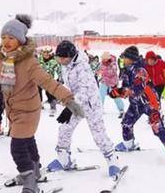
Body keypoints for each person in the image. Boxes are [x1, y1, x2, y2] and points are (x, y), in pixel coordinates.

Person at [0, 15, 84, 193]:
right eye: (3, 38)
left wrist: (68, 100)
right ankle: (35, 172)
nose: (6, 42)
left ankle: (30, 187)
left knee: (17, 147)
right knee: (27, 141)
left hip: (29, 111)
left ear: (20, 40)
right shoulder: (1, 61)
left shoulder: (29, 63)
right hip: (13, 111)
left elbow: (48, 82)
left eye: (11, 38)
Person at [46, 41, 122, 179]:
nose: (60, 61)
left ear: (70, 55)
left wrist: (71, 107)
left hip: (90, 103)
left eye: (62, 58)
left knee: (98, 134)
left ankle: (112, 159)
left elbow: (84, 90)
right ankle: (64, 158)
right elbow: (69, 85)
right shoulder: (66, 65)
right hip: (76, 102)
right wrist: (64, 98)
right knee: (65, 128)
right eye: (58, 58)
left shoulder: (83, 67)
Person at [110, 46, 165, 165]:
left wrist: (122, 91)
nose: (123, 59)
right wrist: (118, 92)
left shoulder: (140, 70)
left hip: (149, 102)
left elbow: (137, 88)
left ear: (131, 58)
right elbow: (127, 88)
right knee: (126, 123)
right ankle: (129, 144)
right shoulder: (127, 70)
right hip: (136, 103)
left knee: (157, 126)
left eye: (125, 57)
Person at [98, 51, 125, 117]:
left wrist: (106, 69)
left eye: (104, 59)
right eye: (102, 59)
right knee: (101, 95)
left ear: (108, 58)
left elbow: (112, 72)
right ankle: (99, 109)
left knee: (115, 96)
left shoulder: (113, 63)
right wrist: (98, 72)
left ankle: (121, 109)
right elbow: (100, 70)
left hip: (112, 82)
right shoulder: (102, 63)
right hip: (104, 81)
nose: (103, 60)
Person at [38, 47, 61, 116]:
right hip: (40, 79)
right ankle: (40, 104)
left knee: (49, 92)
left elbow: (59, 70)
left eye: (47, 53)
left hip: (49, 79)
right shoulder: (39, 60)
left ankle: (53, 105)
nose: (46, 54)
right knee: (37, 90)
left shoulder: (54, 61)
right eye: (44, 52)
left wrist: (60, 78)